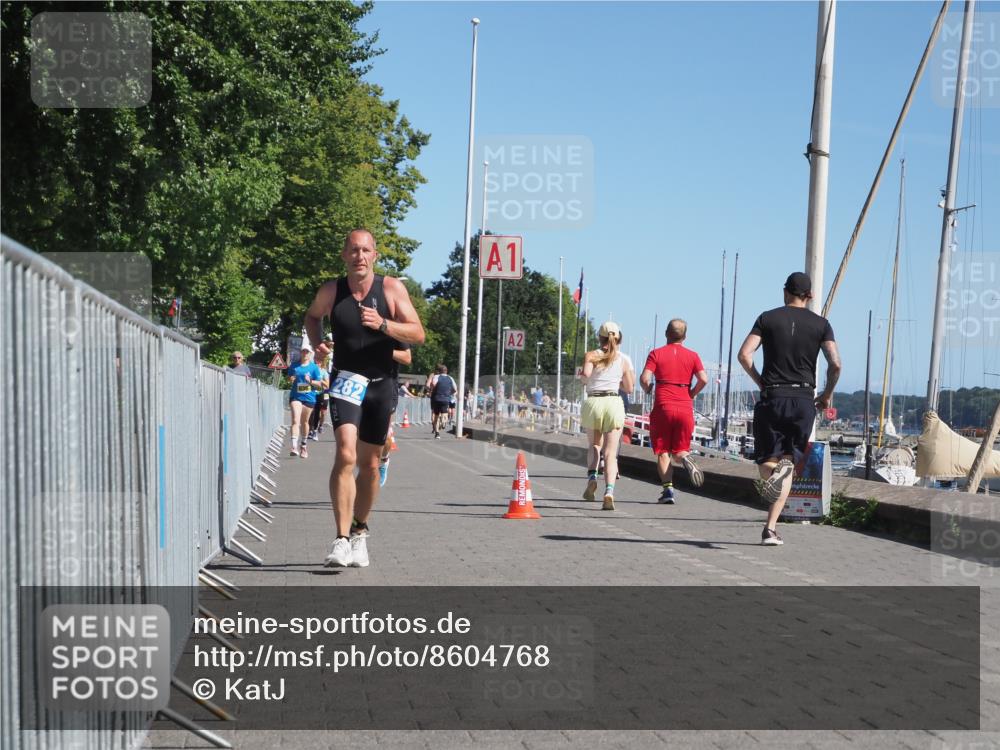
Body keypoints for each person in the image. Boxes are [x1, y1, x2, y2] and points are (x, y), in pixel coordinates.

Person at [305, 229, 425, 568]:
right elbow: (312, 316)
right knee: (345, 454)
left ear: (375, 256)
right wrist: (317, 343)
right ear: (344, 255)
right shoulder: (332, 291)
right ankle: (341, 539)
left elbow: (417, 333)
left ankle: (359, 531)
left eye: (366, 250)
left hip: (381, 384)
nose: (360, 256)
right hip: (346, 380)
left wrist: (383, 324)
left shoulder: (391, 289)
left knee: (370, 465)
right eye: (354, 250)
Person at [737, 272, 841, 546]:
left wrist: (761, 381)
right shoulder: (822, 325)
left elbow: (744, 355)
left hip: (772, 397)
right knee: (788, 464)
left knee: (766, 464)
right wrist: (827, 394)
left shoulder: (767, 318)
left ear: (785, 292)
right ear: (810, 296)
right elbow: (835, 364)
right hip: (804, 400)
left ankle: (774, 478)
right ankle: (770, 529)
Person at [640, 319, 710, 503]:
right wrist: (692, 393)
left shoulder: (656, 354)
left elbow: (645, 378)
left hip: (663, 406)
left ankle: (668, 491)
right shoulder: (693, 356)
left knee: (663, 451)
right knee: (679, 450)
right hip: (684, 406)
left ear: (666, 333)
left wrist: (648, 389)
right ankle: (685, 457)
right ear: (685, 336)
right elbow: (704, 379)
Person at [579, 321, 635, 510]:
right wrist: (614, 381)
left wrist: (586, 376)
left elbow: (585, 377)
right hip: (613, 402)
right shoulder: (623, 360)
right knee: (610, 453)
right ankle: (609, 491)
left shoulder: (591, 355)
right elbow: (629, 388)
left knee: (595, 445)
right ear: (618, 339)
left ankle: (592, 478)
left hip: (594, 402)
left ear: (599, 337)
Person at [378, 342, 412, 487]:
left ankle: (384, 461)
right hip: (361, 385)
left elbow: (407, 358)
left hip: (385, 388)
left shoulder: (394, 332)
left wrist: (382, 349)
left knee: (385, 436)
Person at [286, 345, 327, 459]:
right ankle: (294, 447)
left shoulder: (314, 367)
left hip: (309, 398)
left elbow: (319, 383)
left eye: (307, 352)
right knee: (295, 420)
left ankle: (303, 445)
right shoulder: (294, 365)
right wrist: (291, 379)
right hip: (296, 396)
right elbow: (289, 378)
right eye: (303, 351)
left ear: (310, 354)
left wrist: (311, 381)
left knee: (305, 422)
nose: (305, 353)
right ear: (301, 353)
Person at [309, 334, 334, 440]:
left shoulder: (329, 355)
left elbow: (327, 384)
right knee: (313, 412)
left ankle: (320, 425)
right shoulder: (319, 351)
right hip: (313, 391)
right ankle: (312, 430)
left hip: (325, 390)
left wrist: (320, 381)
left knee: (323, 412)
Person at [429, 365, 457, 438]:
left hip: (437, 398)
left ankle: (437, 433)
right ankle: (443, 423)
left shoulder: (436, 376)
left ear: (439, 371)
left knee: (436, 416)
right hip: (446, 399)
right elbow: (455, 389)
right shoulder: (450, 378)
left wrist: (433, 389)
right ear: (446, 371)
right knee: (444, 415)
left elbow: (433, 385)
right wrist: (449, 393)